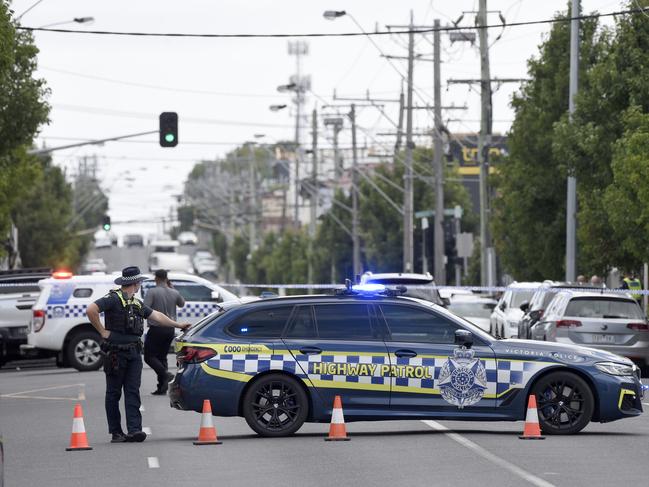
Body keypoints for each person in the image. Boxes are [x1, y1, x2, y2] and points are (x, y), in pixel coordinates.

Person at [86, 266, 190, 443]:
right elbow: (91, 310)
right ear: (135, 283)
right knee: (114, 394)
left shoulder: (136, 302)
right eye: (140, 282)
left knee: (133, 391)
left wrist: (178, 325)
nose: (140, 285)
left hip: (134, 353)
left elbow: (156, 316)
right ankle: (116, 432)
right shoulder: (112, 299)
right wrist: (102, 332)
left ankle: (135, 430)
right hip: (116, 354)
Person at [144, 269, 185, 395]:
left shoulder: (152, 292)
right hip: (170, 329)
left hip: (157, 328)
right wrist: (172, 288)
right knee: (162, 357)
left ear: (156, 278)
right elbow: (182, 303)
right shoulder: (174, 292)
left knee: (149, 356)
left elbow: (144, 308)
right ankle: (162, 387)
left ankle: (166, 375)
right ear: (166, 279)